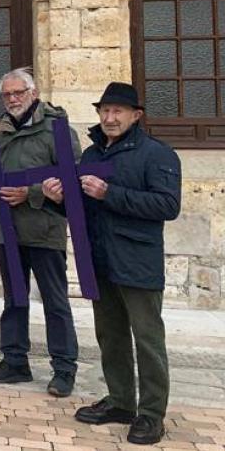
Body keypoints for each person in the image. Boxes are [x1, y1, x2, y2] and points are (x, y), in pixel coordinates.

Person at [70, 82, 180, 446]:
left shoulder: (157, 154)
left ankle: (151, 414)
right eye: (104, 111)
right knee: (111, 336)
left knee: (147, 340)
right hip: (100, 260)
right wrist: (58, 199)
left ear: (136, 116)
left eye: (117, 111)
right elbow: (82, 207)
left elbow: (167, 206)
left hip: (137, 262)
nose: (109, 118)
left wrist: (110, 193)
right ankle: (120, 402)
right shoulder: (92, 154)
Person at [0, 68, 81, 397]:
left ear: (33, 93)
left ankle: (64, 368)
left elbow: (72, 179)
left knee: (55, 301)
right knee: (14, 299)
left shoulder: (57, 130)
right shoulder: (3, 131)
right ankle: (14, 361)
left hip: (44, 228)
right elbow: (4, 173)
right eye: (7, 94)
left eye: (18, 93)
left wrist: (31, 193)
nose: (12, 99)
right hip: (7, 228)